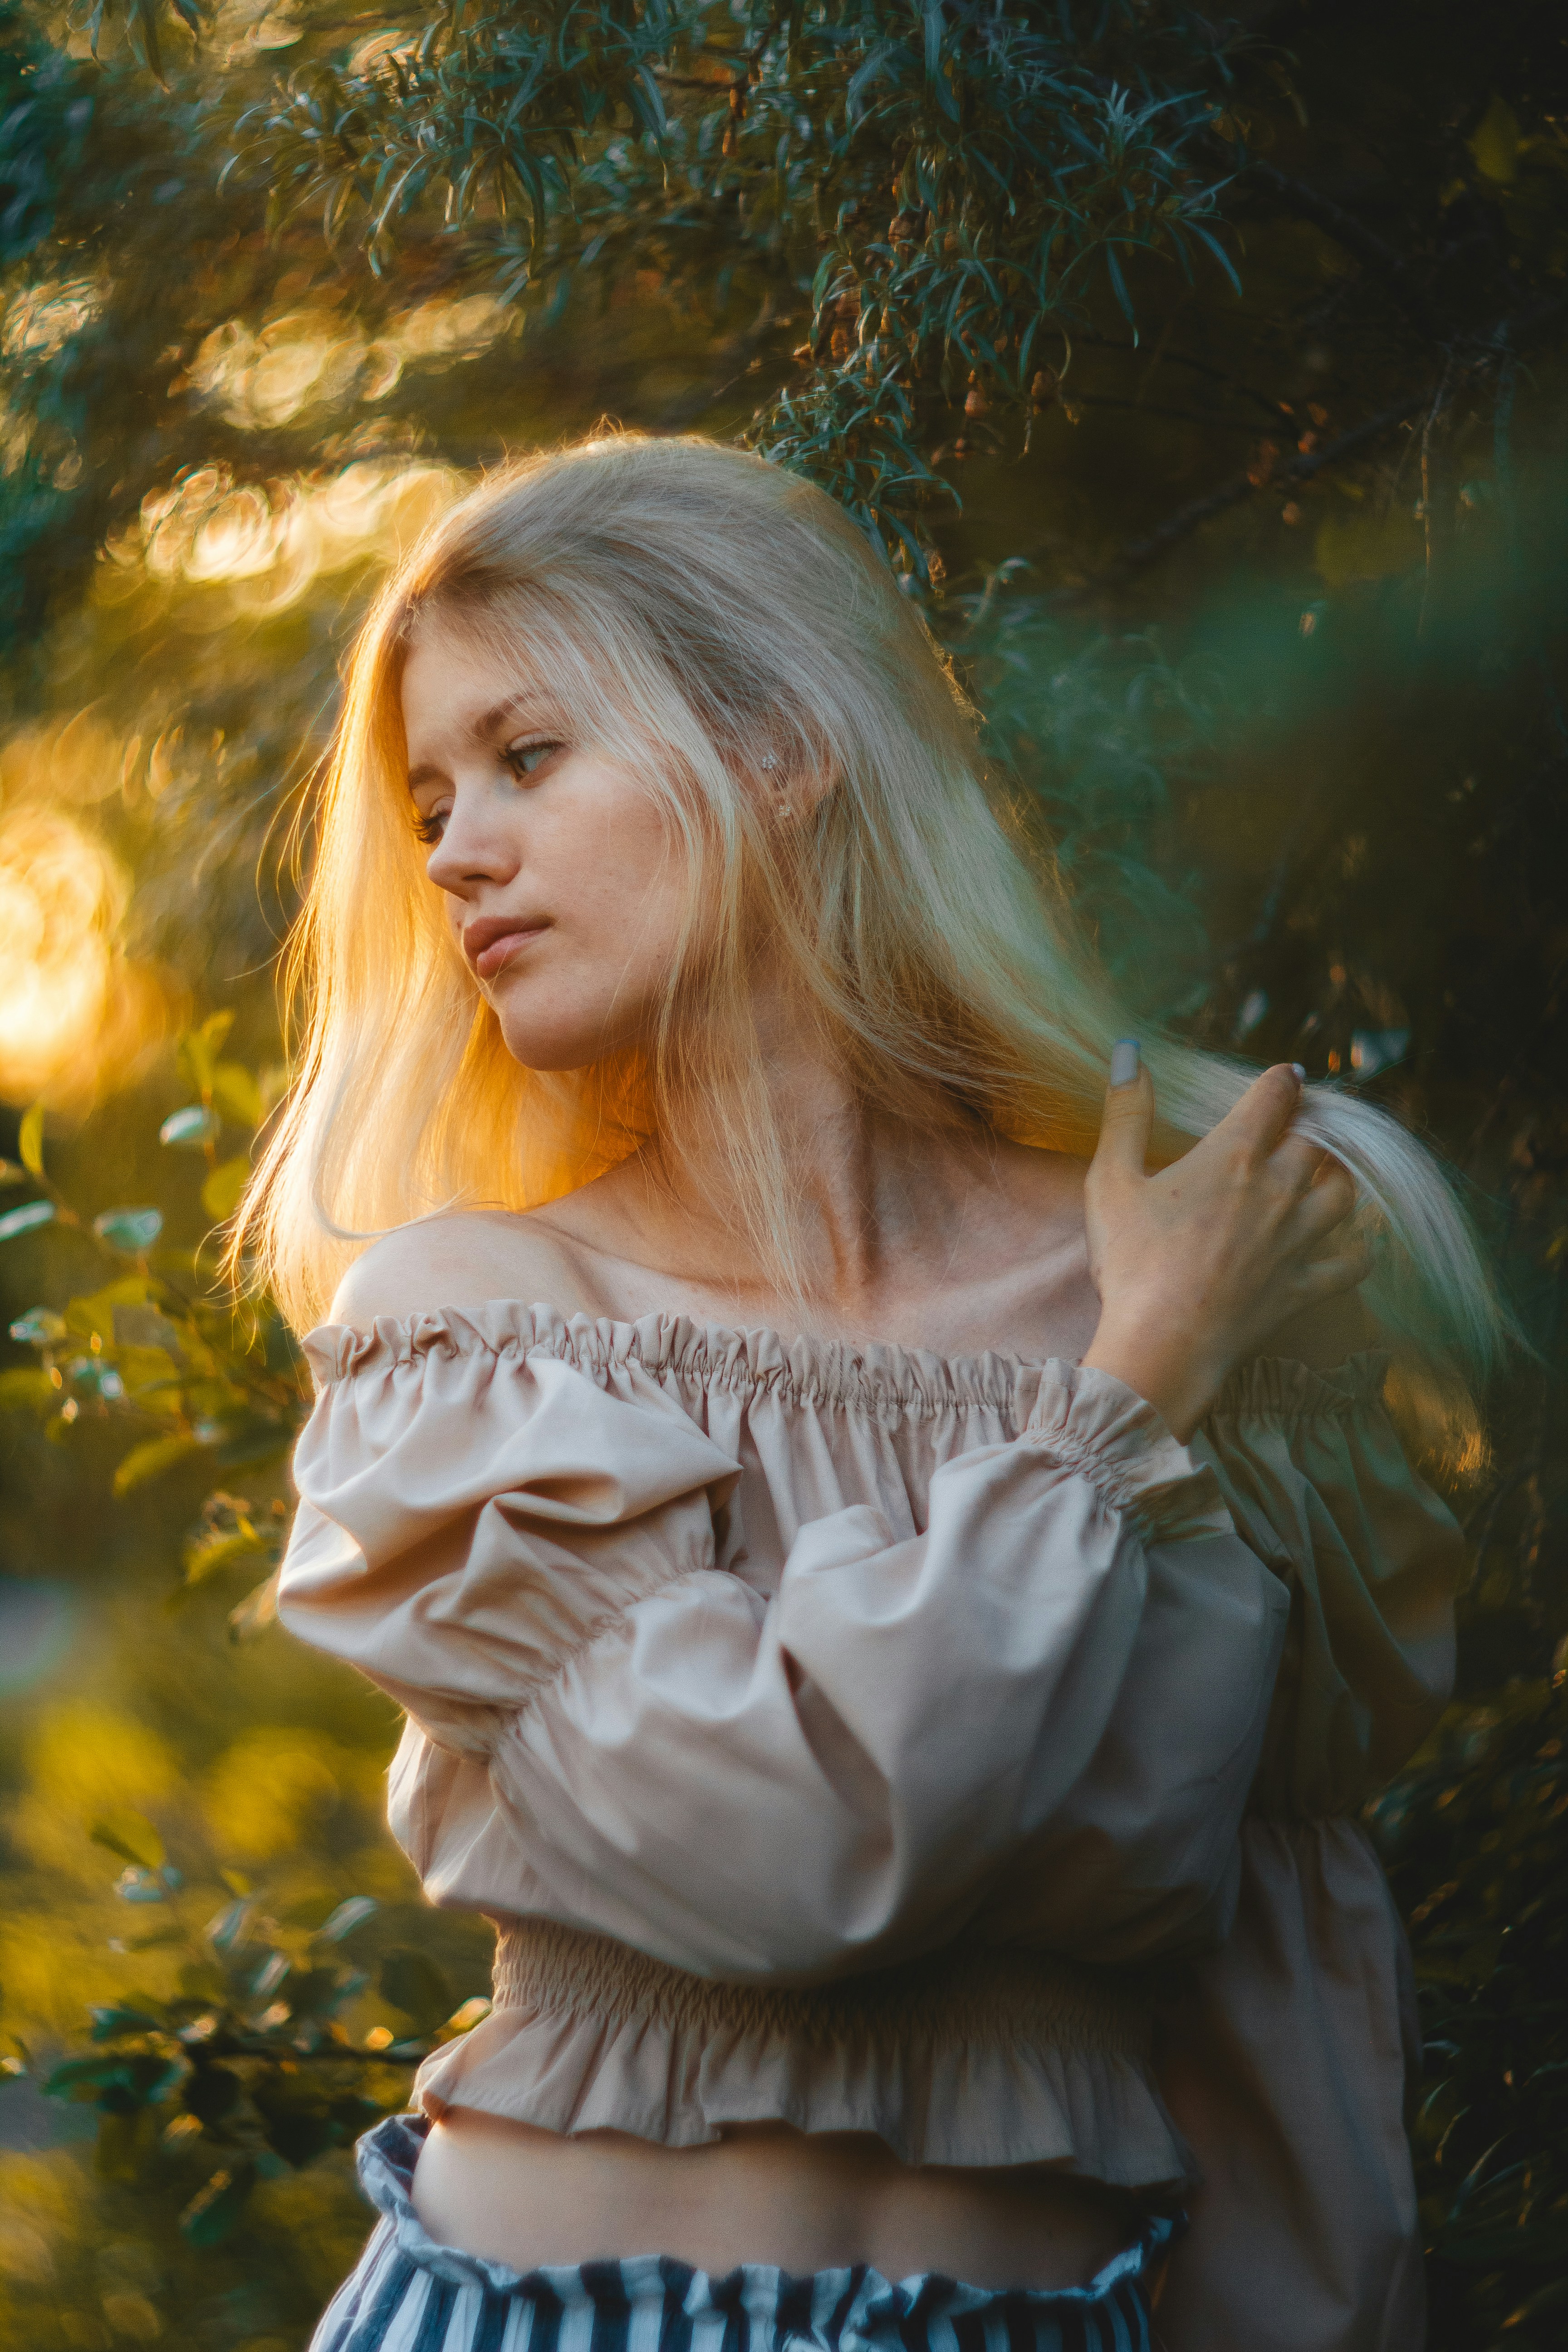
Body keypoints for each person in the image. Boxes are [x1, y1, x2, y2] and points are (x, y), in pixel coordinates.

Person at [253, 434, 1501, 2352]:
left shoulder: (1198, 1268)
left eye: (527, 758)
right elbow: (789, 1852)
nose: (451, 855)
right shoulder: (489, 1331)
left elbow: (1283, 1972)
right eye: (428, 803)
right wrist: (1116, 1412)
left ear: (780, 748)